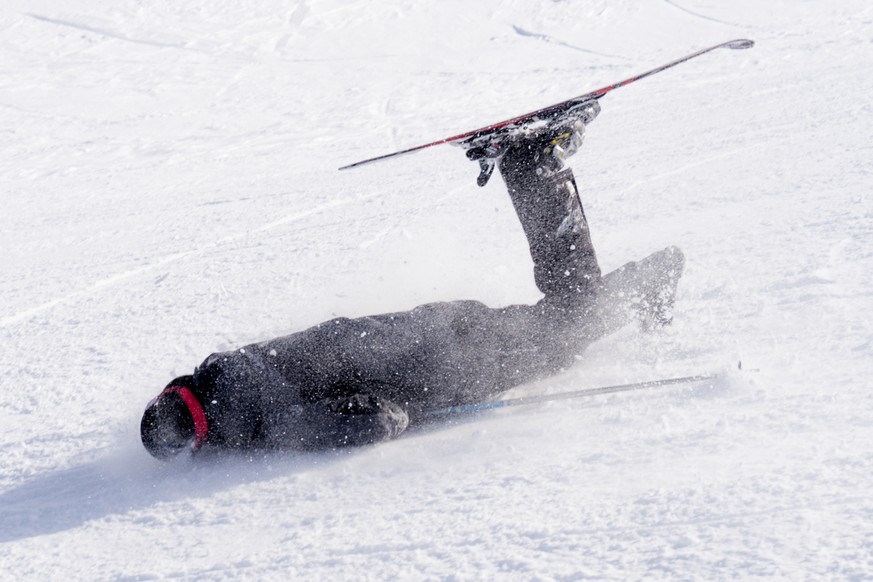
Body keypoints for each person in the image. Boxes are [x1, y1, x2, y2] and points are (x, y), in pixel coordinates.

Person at [140, 110, 685, 460]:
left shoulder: (262, 415)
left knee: (565, 329)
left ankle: (538, 160)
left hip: (439, 368)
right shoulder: (237, 366)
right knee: (561, 319)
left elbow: (369, 420)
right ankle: (537, 171)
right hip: (428, 330)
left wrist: (392, 417)